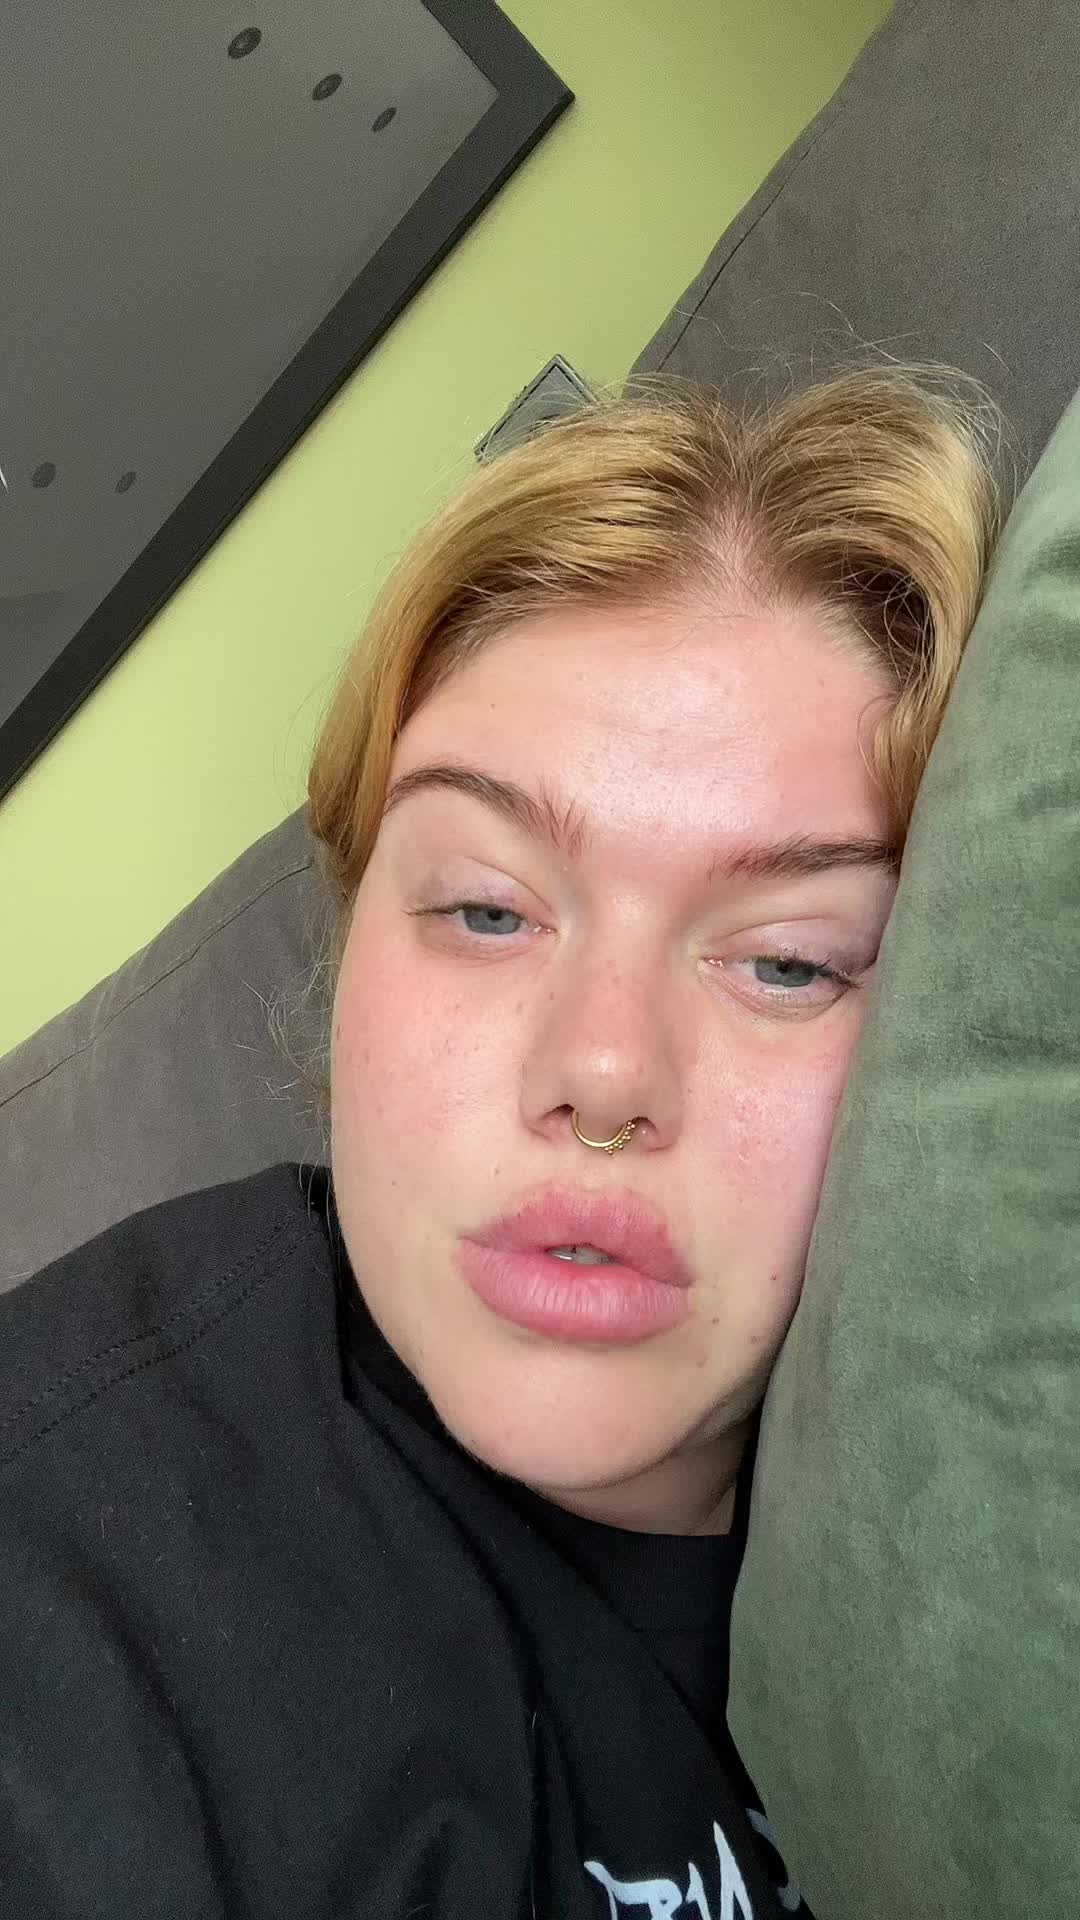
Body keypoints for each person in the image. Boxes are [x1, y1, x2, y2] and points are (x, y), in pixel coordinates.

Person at [0, 368, 997, 1919]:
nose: (601, 1072)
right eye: (484, 910)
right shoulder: (78, 1565)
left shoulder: (996, 1503)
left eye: (789, 961)